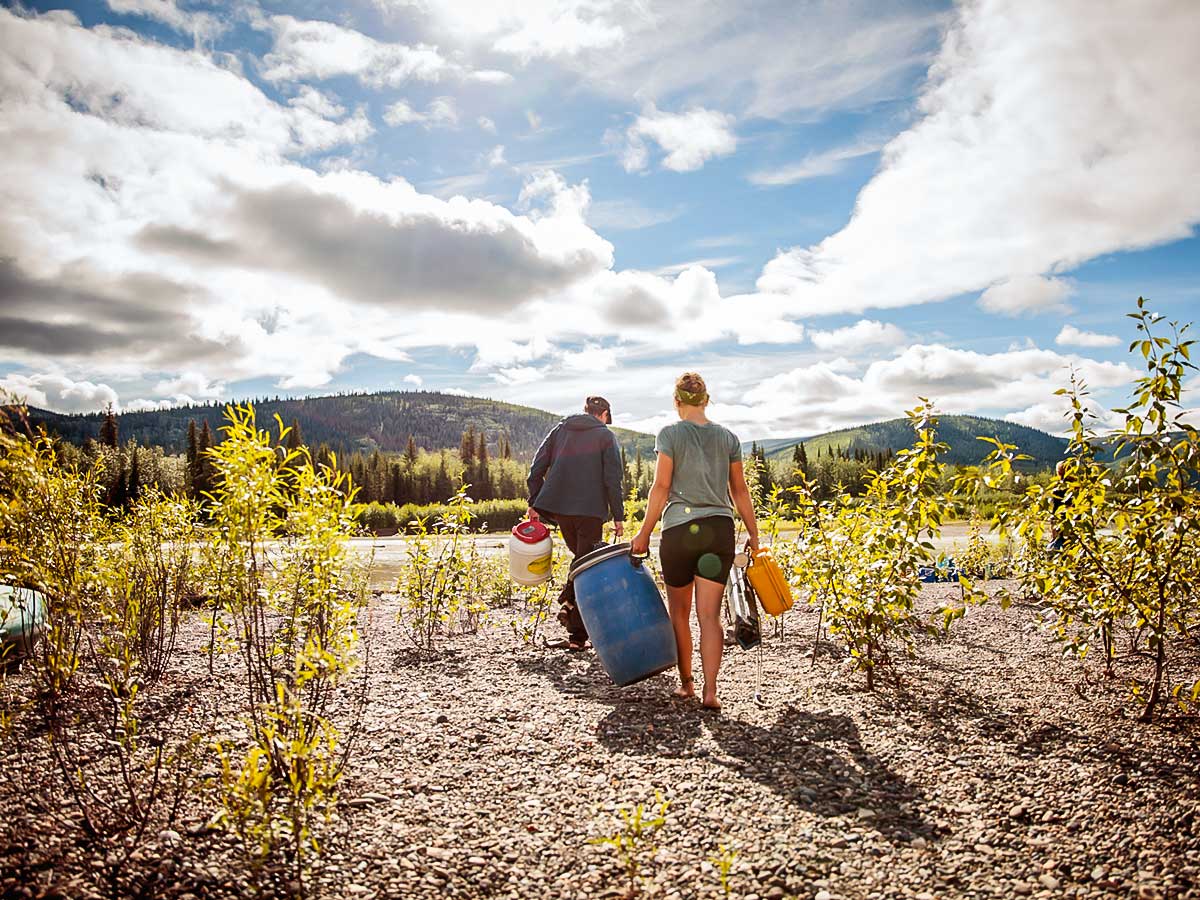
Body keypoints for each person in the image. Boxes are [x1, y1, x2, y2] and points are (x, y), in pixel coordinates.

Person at [630, 373, 759, 711]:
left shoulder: (670, 434)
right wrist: (754, 534)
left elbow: (660, 487)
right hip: (718, 530)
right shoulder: (727, 437)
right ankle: (711, 691)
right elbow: (740, 490)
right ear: (705, 400)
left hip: (678, 531)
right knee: (709, 616)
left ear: (677, 402)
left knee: (680, 613)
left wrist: (644, 532)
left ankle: (687, 684)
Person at [526, 396, 625, 650]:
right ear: (603, 414)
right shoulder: (605, 436)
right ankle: (570, 611)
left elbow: (536, 468)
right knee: (585, 566)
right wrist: (618, 515)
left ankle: (575, 630)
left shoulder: (560, 430)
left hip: (560, 510)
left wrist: (534, 501)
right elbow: (612, 479)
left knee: (582, 561)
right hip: (590, 511)